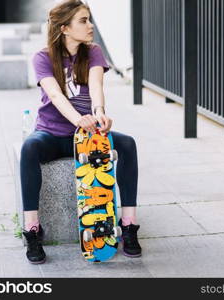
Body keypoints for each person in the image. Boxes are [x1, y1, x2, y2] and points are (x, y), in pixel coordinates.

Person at [20, 0, 142, 264]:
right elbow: (54, 94)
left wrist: (98, 113)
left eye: (90, 19)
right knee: (29, 148)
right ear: (64, 28)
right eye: (83, 21)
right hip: (52, 135)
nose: (90, 26)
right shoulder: (43, 57)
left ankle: (129, 224)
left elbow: (97, 85)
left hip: (89, 138)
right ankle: (32, 229)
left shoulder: (93, 52)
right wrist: (78, 119)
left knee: (128, 144)